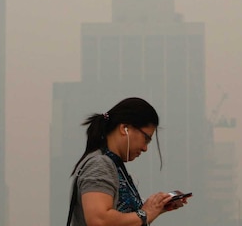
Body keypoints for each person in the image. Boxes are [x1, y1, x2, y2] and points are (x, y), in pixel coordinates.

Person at [68, 97, 188, 226]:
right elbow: (99, 220)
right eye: (146, 139)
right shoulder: (100, 165)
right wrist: (145, 213)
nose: (145, 148)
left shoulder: (112, 164)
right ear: (124, 128)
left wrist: (157, 208)